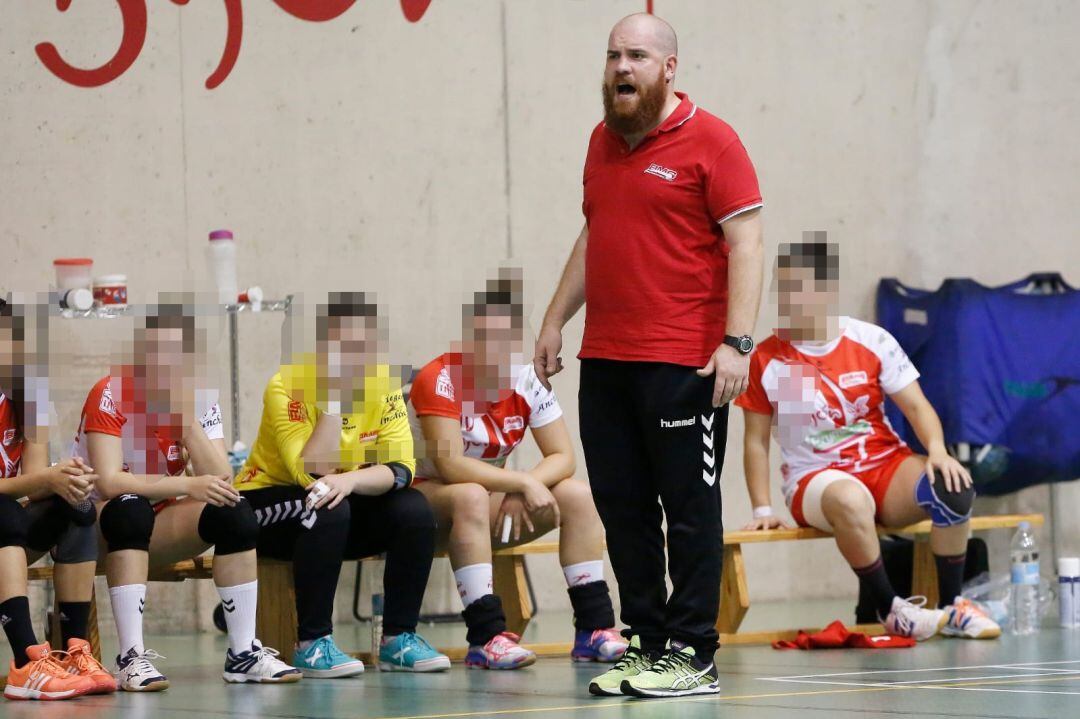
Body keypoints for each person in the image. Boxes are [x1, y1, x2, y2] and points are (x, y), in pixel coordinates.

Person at [534, 13, 764, 698]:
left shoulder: (714, 141)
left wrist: (737, 342)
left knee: (688, 508)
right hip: (607, 360)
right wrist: (553, 319)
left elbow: (747, 243)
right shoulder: (602, 142)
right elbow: (594, 232)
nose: (621, 68)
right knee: (624, 509)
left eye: (635, 56)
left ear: (668, 68)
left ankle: (693, 653)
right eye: (612, 56)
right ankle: (647, 644)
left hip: (684, 363)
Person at [736, 238, 1000, 641]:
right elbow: (755, 441)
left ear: (825, 290)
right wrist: (762, 507)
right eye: (782, 286)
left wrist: (937, 452)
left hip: (883, 466)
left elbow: (917, 407)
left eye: (799, 287)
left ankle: (952, 608)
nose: (787, 298)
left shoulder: (869, 340)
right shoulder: (767, 359)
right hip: (815, 478)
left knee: (952, 485)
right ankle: (889, 607)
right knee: (850, 499)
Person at [77, 300, 300, 690]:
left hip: (159, 521)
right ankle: (131, 657)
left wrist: (187, 423)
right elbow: (109, 483)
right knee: (129, 510)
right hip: (94, 526)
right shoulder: (111, 393)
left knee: (235, 510)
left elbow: (219, 478)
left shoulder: (197, 397)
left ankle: (243, 653)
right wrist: (185, 485)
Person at [410, 272, 625, 670]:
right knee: (470, 493)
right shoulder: (438, 378)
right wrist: (521, 481)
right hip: (423, 501)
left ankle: (594, 630)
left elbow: (563, 456)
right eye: (490, 341)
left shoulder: (527, 380)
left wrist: (520, 489)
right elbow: (450, 464)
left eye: (510, 341)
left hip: (484, 503)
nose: (502, 352)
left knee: (576, 494)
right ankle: (486, 637)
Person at [235, 292, 448, 676]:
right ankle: (312, 643)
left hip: (340, 499)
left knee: (414, 508)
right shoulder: (287, 386)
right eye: (343, 347)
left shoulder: (382, 385)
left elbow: (402, 467)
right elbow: (312, 473)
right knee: (326, 501)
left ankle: (398, 639)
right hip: (265, 508)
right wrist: (335, 403)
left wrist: (351, 480)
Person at [0, 297, 103, 700]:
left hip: (6, 529)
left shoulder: (30, 392)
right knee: (5, 513)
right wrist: (46, 478)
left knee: (76, 504)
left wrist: (66, 480)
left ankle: (76, 650)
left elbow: (35, 479)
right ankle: (26, 663)